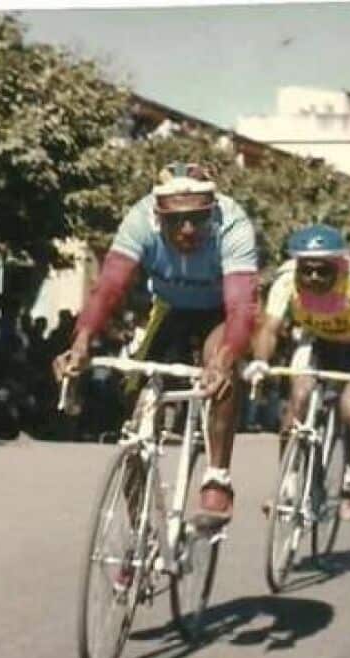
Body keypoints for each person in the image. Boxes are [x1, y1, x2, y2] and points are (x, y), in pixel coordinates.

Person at [53, 162, 259, 529]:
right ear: (156, 216)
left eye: (198, 218)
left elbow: (241, 306)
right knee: (134, 418)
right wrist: (82, 342)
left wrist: (225, 360)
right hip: (169, 307)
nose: (188, 229)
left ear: (212, 211)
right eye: (176, 221)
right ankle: (140, 535)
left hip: (219, 312)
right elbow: (109, 288)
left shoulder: (234, 224)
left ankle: (217, 477)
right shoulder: (137, 221)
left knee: (219, 368)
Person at [244, 224, 350, 521]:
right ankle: (287, 483)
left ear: (339, 267)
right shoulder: (286, 283)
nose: (313, 277)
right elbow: (270, 329)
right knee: (297, 399)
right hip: (315, 342)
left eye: (322, 271)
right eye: (306, 270)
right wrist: (261, 360)